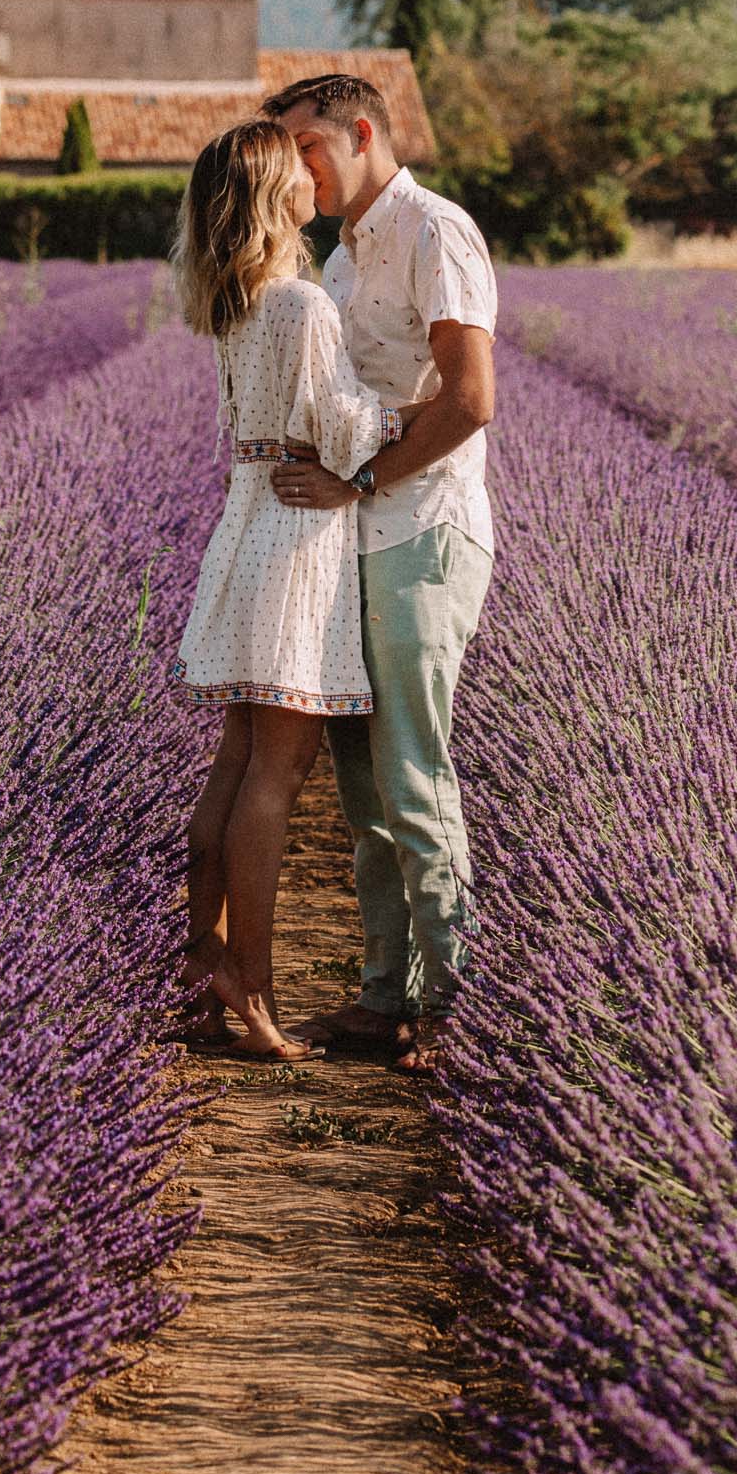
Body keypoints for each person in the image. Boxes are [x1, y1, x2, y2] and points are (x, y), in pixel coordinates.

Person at [261, 72, 497, 1076]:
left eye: (306, 146)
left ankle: (449, 1003)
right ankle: (381, 997)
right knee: (361, 790)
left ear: (362, 132)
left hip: (419, 534)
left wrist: (358, 475)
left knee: (411, 774)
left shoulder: (434, 230)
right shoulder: (346, 259)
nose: (294, 168)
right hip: (354, 541)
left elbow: (470, 398)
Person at [169, 117, 418, 1061]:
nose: (317, 178)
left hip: (245, 528)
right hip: (299, 535)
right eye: (299, 171)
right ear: (280, 197)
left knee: (235, 761)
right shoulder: (304, 308)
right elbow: (348, 430)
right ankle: (252, 983)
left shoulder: (234, 303)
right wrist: (423, 406)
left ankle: (202, 959)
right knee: (278, 774)